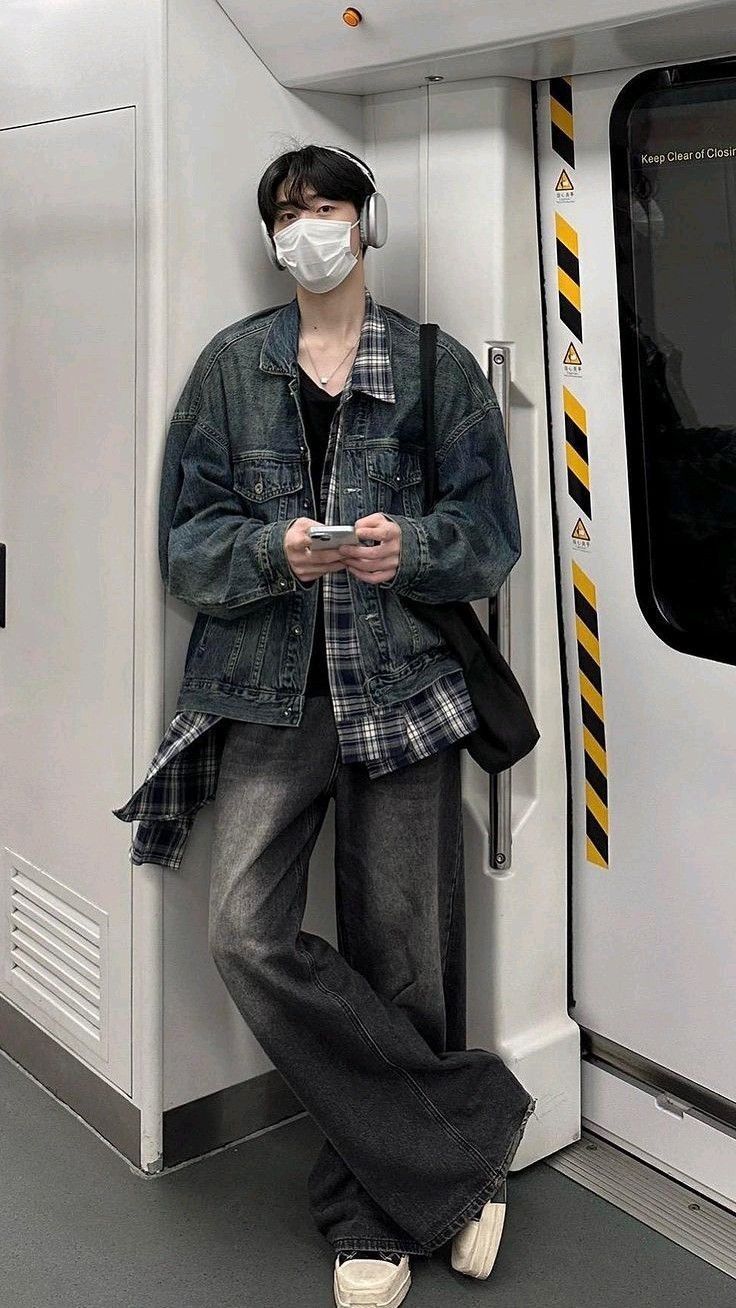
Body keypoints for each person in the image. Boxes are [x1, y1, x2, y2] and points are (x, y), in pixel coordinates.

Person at [113, 143, 536, 1308]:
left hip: (401, 691)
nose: (308, 229)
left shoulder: (438, 369)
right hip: (266, 694)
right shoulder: (231, 369)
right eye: (288, 213)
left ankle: (371, 1219)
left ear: (366, 221)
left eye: (326, 207)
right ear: (272, 238)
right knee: (243, 933)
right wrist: (273, 551)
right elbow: (186, 546)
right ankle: (465, 1134)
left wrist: (417, 549)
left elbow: (490, 536)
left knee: (402, 958)